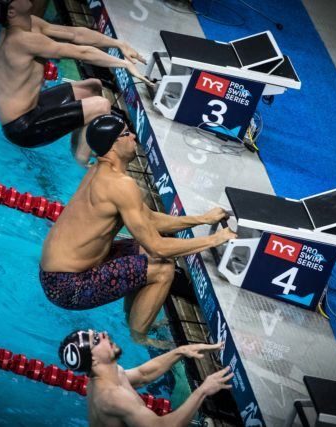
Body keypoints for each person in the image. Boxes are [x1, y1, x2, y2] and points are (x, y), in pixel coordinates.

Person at [40, 115, 236, 342]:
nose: (133, 136)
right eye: (126, 133)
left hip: (56, 272)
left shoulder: (100, 172)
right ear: (113, 145)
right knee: (164, 269)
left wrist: (201, 219)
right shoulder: (120, 186)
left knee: (141, 252)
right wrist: (213, 240)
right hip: (67, 285)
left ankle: (134, 318)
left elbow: (149, 219)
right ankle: (140, 337)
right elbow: (158, 248)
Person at [0, 0, 152, 148]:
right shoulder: (20, 40)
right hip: (22, 127)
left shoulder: (31, 23)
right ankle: (82, 160)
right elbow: (82, 53)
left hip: (34, 107)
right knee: (102, 106)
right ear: (11, 12)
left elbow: (76, 34)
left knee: (93, 86)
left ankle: (77, 146)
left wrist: (119, 44)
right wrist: (124, 64)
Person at [58, 329, 233, 426]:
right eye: (96, 340)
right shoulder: (113, 398)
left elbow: (143, 375)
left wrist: (180, 351)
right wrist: (202, 391)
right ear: (94, 360)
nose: (103, 333)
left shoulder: (108, 374)